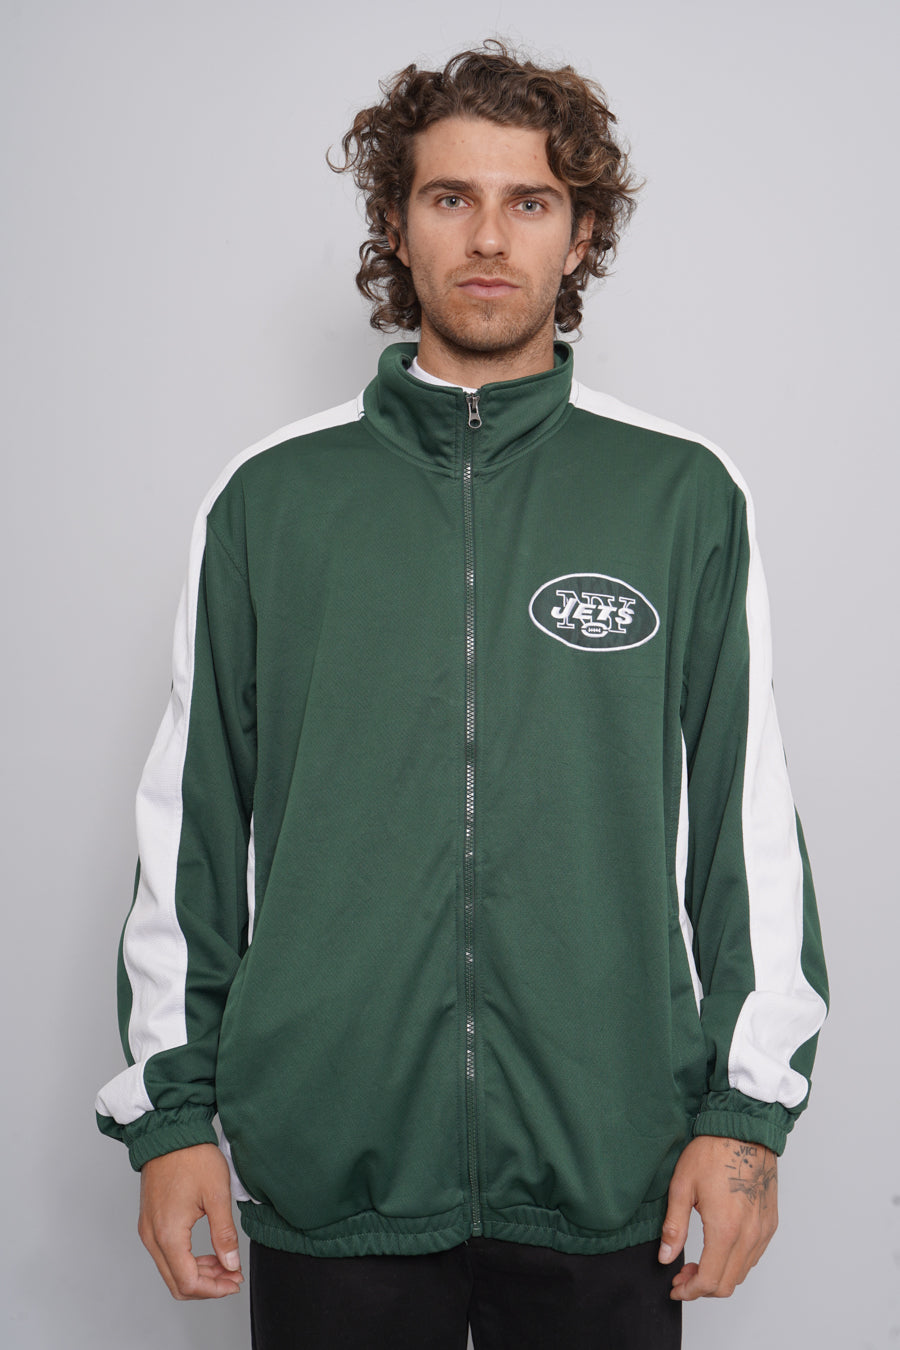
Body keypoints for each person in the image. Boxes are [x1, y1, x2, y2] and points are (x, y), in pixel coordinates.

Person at [95, 41, 828, 1349]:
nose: (489, 237)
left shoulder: (679, 495)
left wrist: (748, 1118)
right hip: (332, 1169)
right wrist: (171, 1114)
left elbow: (747, 829)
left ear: (580, 232)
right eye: (450, 197)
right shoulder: (272, 499)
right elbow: (191, 827)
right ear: (397, 222)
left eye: (530, 201)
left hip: (611, 1167)